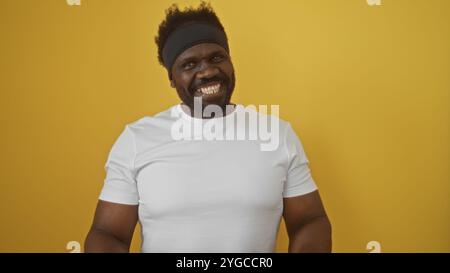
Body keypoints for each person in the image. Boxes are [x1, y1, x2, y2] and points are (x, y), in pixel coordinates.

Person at [85, 2, 331, 253]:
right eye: (189, 65)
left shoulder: (276, 134)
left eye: (216, 58)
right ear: (171, 78)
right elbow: (108, 233)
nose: (208, 71)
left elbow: (309, 221)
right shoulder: (137, 139)